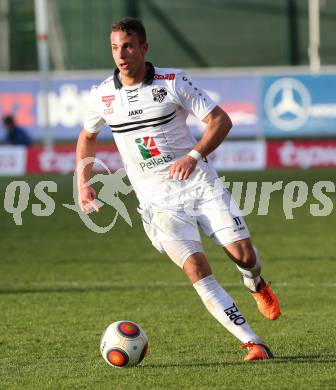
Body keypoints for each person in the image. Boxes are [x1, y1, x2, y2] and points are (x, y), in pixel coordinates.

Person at [76, 17, 281, 362]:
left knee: (244, 256)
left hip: (200, 185)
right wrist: (84, 182)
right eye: (114, 47)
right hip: (157, 204)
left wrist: (194, 155)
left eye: (127, 46)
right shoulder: (103, 96)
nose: (121, 54)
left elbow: (221, 120)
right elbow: (87, 136)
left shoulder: (173, 81)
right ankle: (252, 343)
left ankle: (255, 282)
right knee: (197, 269)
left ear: (143, 48)